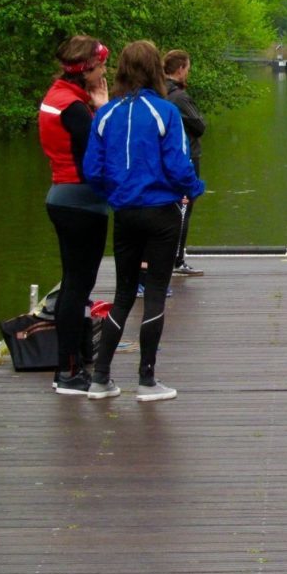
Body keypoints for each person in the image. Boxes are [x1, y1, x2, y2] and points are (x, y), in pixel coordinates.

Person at [83, 40, 205, 402]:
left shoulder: (106, 115)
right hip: (162, 213)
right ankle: (147, 381)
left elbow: (92, 170)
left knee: (122, 294)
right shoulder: (165, 111)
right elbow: (180, 166)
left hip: (124, 213)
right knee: (154, 295)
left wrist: (116, 194)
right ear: (156, 70)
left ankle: (100, 378)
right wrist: (195, 188)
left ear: (120, 70)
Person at [38, 35, 110, 395]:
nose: (106, 71)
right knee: (77, 286)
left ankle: (75, 360)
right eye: (101, 66)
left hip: (62, 196)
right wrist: (105, 108)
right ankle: (67, 372)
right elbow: (102, 156)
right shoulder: (76, 109)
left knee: (74, 284)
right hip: (82, 203)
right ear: (87, 71)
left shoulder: (58, 97)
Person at [164, 49, 206, 277]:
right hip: (187, 157)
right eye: (188, 68)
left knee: (169, 209)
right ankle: (177, 260)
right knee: (184, 209)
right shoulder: (179, 97)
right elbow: (200, 126)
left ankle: (164, 258)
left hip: (165, 159)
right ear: (180, 69)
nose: (188, 72)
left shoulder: (158, 92)